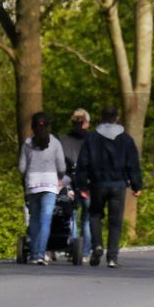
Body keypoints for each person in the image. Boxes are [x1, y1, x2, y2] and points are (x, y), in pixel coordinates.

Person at [73, 106, 143, 268]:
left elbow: (83, 163)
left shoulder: (91, 138)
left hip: (97, 184)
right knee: (115, 221)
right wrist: (136, 185)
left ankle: (97, 245)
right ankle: (112, 257)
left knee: (95, 215)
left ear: (102, 118)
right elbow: (132, 164)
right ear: (117, 118)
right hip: (118, 185)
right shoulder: (126, 139)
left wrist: (82, 185)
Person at [19, 112, 66, 265]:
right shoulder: (55, 143)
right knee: (46, 220)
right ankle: (40, 254)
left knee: (34, 219)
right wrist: (59, 175)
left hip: (33, 184)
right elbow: (62, 166)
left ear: (32, 127)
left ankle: (33, 254)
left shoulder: (27, 144)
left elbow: (21, 168)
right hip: (50, 184)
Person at [58, 109, 92, 259]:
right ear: (86, 123)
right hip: (88, 182)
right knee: (87, 217)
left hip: (67, 181)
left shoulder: (62, 140)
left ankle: (73, 246)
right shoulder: (92, 140)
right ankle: (84, 251)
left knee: (71, 215)